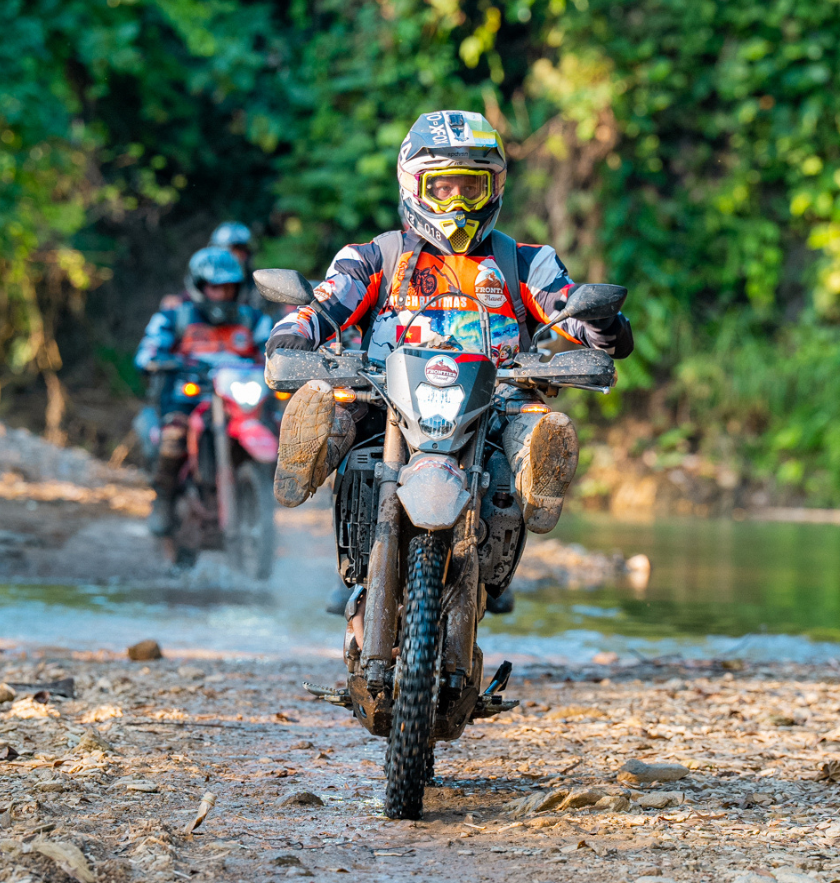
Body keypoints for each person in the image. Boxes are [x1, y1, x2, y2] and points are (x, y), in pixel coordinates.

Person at [266, 109, 633, 560]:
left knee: (538, 426)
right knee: (335, 408)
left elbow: (567, 305)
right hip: (384, 405)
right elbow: (323, 303)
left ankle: (539, 480)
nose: (457, 202)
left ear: (493, 188)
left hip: (496, 408)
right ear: (414, 187)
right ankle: (304, 457)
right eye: (442, 188)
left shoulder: (525, 262)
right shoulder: (375, 257)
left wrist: (601, 320)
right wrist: (291, 336)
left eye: (470, 187)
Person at [136, 246, 273, 536]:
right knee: (173, 436)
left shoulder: (253, 320)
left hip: (238, 401)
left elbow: (275, 349)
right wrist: (158, 360)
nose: (222, 295)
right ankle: (164, 499)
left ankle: (258, 500)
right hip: (188, 399)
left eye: (229, 288)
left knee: (278, 426)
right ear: (199, 287)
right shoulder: (175, 317)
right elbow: (147, 351)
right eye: (215, 287)